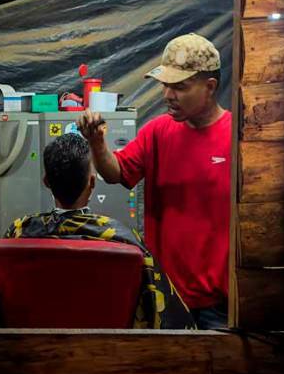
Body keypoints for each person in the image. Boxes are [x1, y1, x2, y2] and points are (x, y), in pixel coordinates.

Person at [77, 33, 231, 329]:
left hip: (220, 304)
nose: (167, 95)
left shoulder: (236, 136)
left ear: (209, 86)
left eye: (179, 87)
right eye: (165, 85)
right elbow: (115, 173)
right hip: (165, 294)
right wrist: (97, 142)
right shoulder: (157, 132)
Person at [0, 133, 195, 329]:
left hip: (31, 360)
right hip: (107, 360)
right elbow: (165, 318)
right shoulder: (124, 241)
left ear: (46, 182)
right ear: (92, 183)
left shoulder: (17, 234)